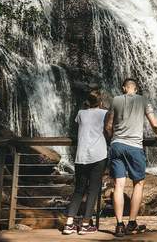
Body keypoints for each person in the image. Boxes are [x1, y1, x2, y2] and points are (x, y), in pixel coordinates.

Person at [104, 77, 157, 237]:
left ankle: (118, 225)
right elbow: (155, 124)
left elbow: (108, 125)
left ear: (124, 88)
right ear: (135, 89)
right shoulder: (143, 100)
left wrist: (111, 138)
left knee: (118, 185)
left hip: (116, 145)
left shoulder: (115, 100)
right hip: (135, 147)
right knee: (139, 184)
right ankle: (131, 222)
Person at [62, 90, 107, 235]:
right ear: (100, 102)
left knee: (78, 190)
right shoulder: (104, 113)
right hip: (98, 155)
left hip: (81, 156)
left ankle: (69, 224)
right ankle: (85, 224)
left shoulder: (81, 113)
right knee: (93, 190)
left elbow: (80, 122)